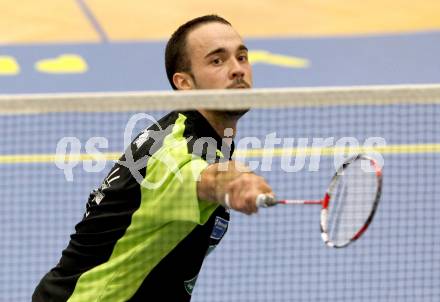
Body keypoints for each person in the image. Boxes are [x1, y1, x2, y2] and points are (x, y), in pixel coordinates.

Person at [32, 15, 274, 301]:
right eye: (217, 61)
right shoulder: (173, 150)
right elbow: (202, 176)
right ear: (184, 83)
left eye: (242, 57)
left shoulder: (204, 135)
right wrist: (236, 181)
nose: (237, 70)